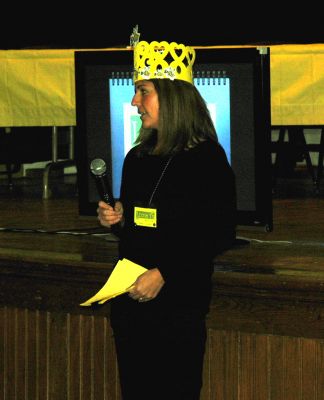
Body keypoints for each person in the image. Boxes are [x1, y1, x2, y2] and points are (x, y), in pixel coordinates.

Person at [97, 34, 237, 400]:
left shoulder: (206, 159)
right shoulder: (137, 157)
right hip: (131, 304)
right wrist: (120, 219)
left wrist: (164, 274)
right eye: (135, 92)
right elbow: (145, 224)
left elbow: (218, 233)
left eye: (143, 91)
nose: (134, 102)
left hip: (177, 305)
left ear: (172, 96)